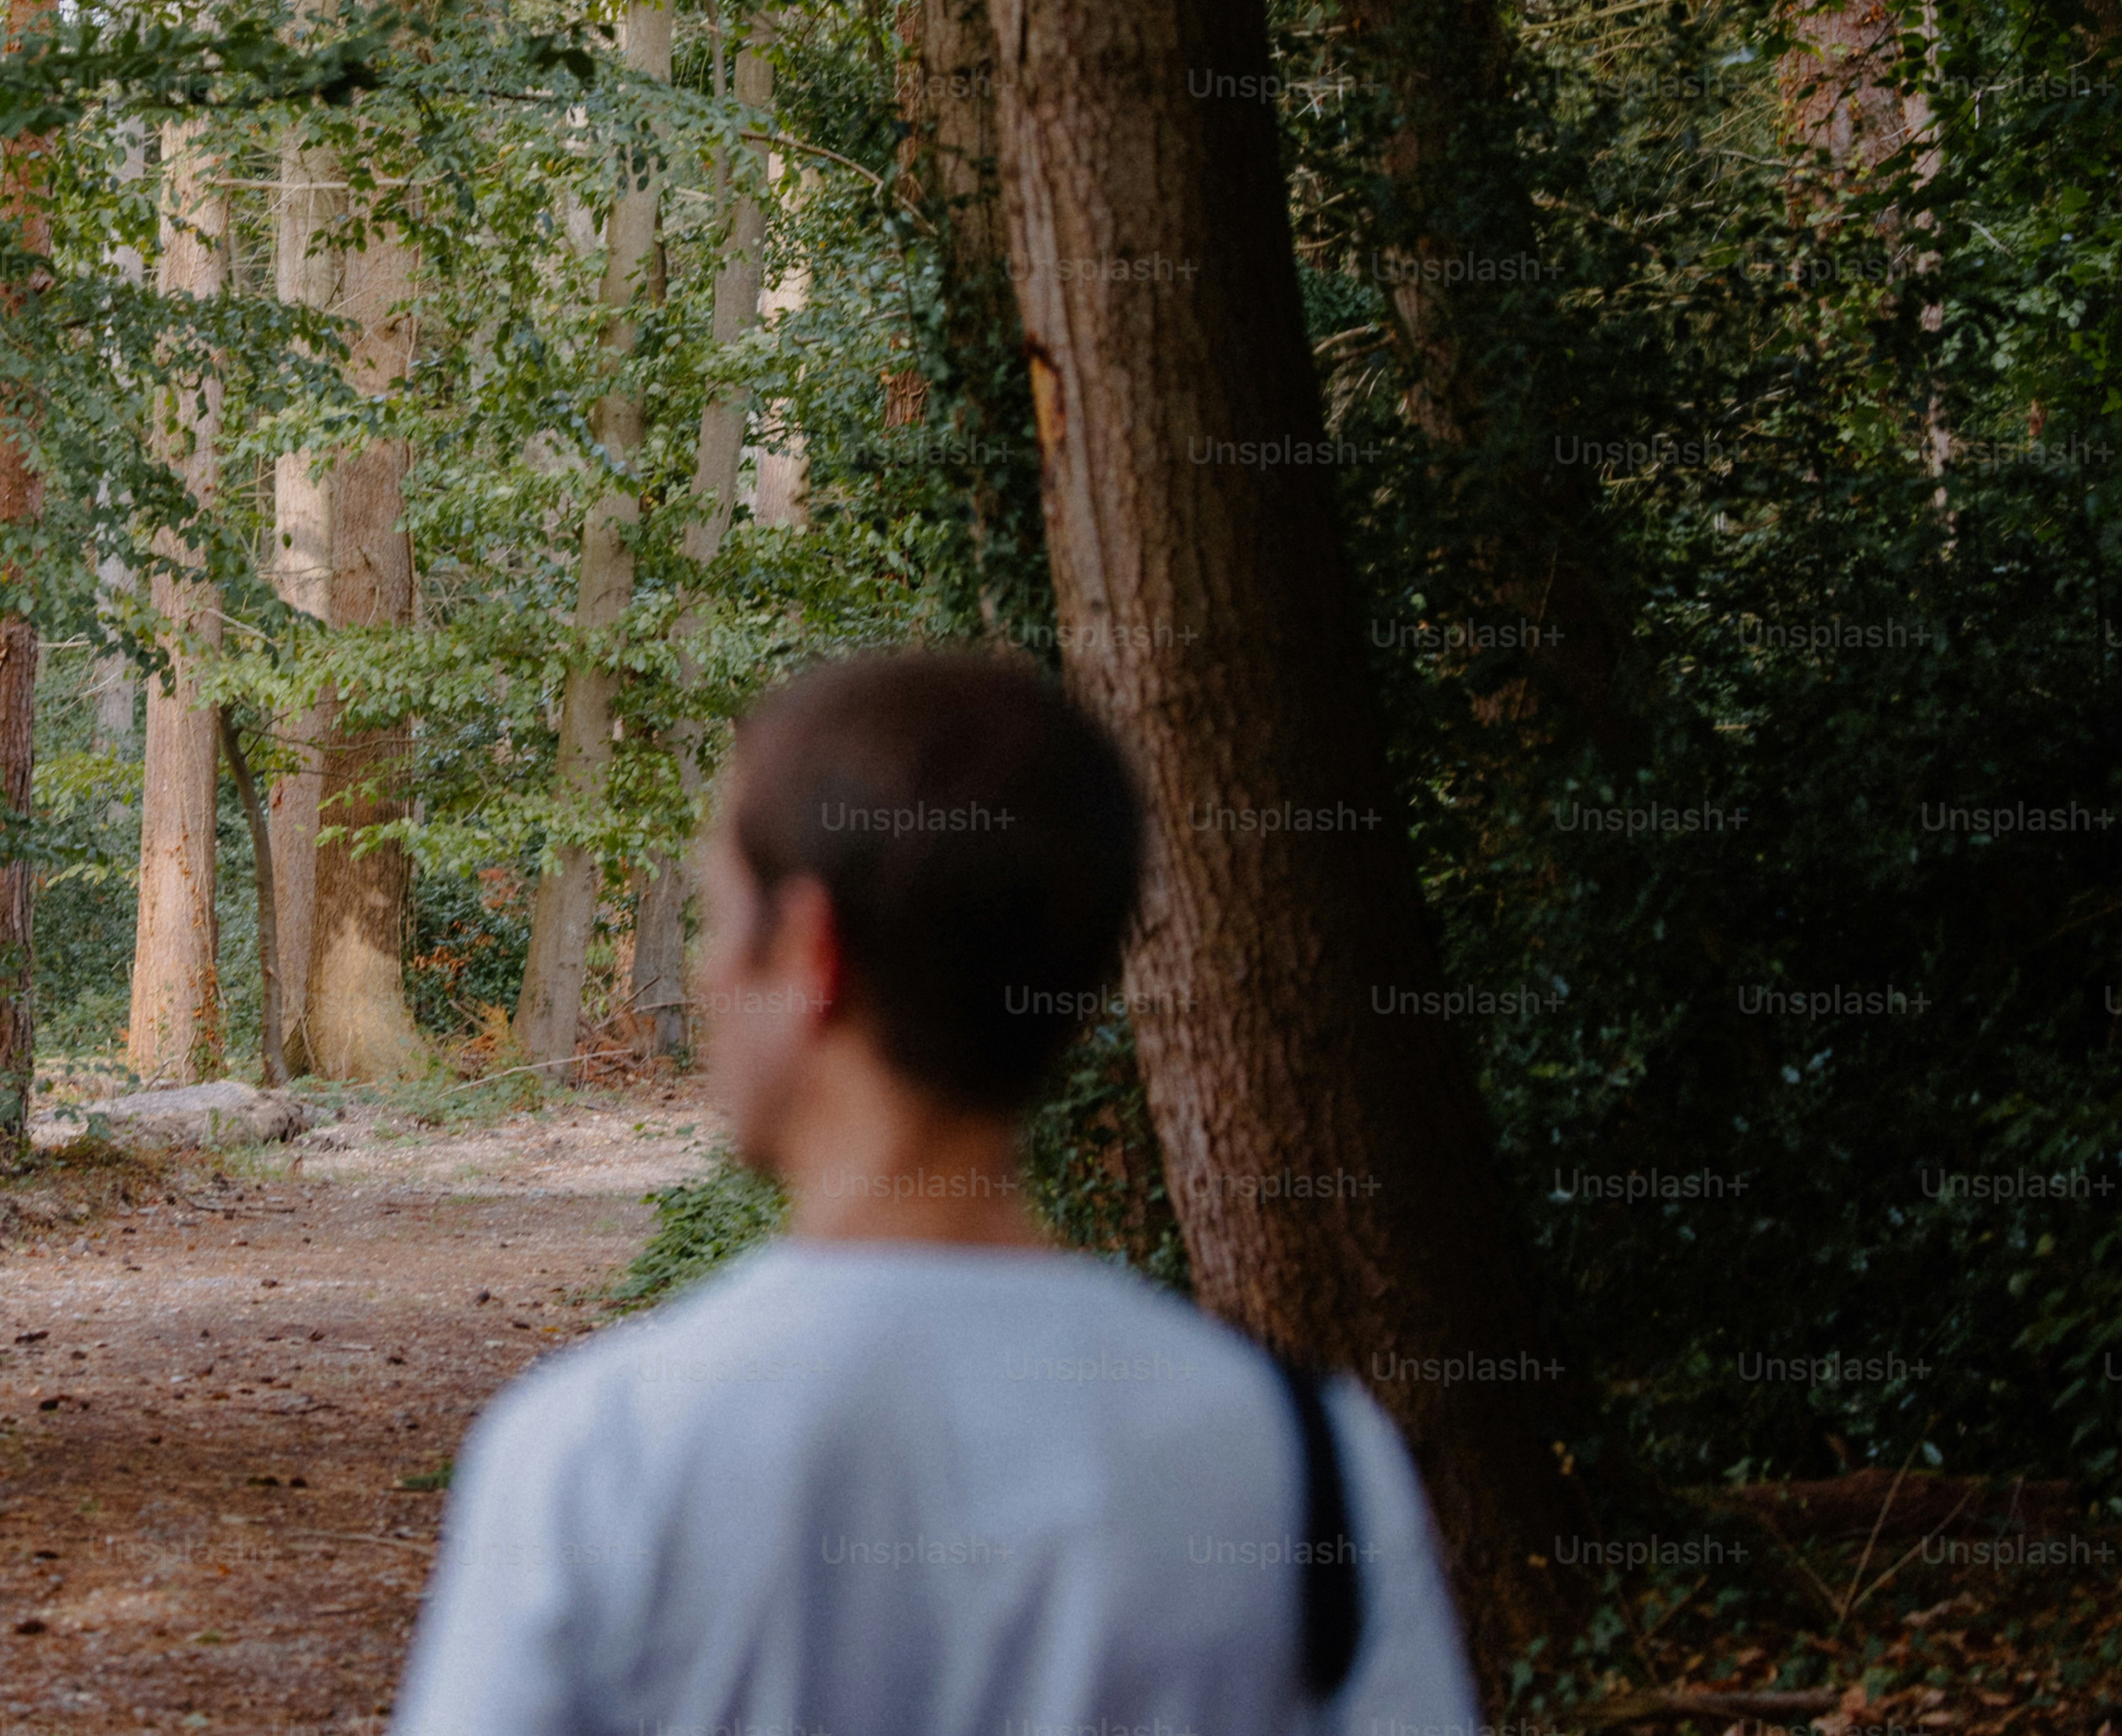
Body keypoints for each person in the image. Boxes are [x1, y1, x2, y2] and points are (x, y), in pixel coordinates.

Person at [392, 649, 1478, 1736]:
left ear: (812, 951)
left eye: (721, 920)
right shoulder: (1309, 1459)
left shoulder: (594, 1457)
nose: (712, 975)